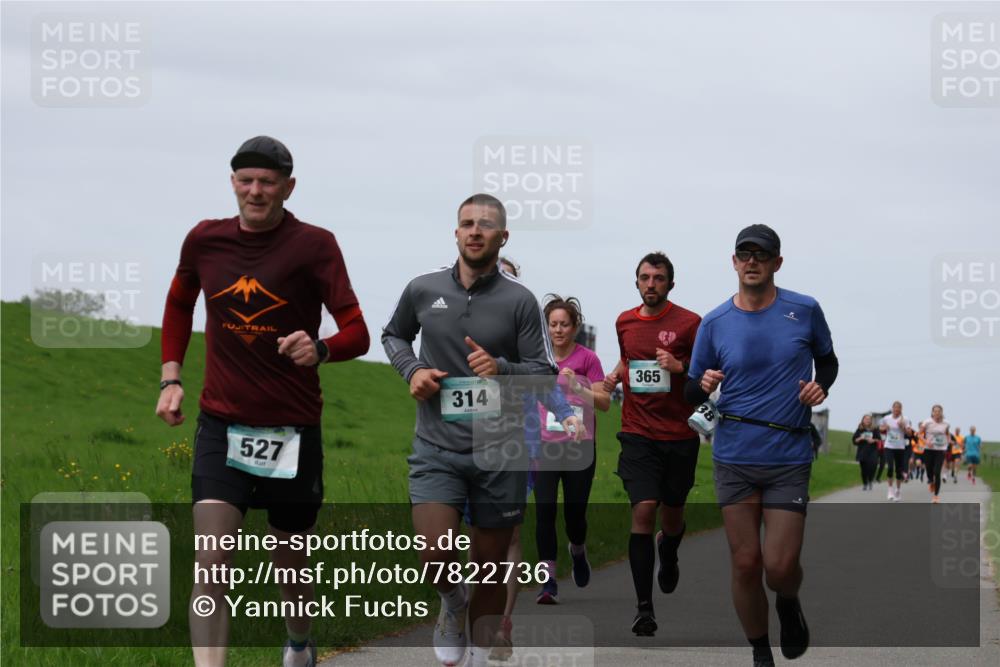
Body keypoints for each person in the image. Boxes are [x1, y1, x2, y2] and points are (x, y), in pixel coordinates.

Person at [156, 136, 370, 667]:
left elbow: (358, 332)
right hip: (221, 424)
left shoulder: (315, 245)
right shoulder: (204, 240)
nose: (255, 191)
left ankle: (299, 641)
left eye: (267, 182)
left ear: (288, 188)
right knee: (211, 561)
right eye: (246, 180)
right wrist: (170, 377)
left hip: (291, 429)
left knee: (289, 562)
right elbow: (179, 303)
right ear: (233, 183)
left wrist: (320, 348)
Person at [381, 194, 557, 667]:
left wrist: (501, 368)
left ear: (503, 237)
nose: (475, 231)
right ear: (456, 232)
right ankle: (452, 602)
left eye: (486, 224)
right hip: (437, 446)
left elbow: (544, 374)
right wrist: (413, 369)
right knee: (435, 555)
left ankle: (478, 655)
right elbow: (393, 335)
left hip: (500, 452)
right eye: (466, 223)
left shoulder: (520, 301)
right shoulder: (423, 288)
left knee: (490, 569)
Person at [686, 224, 838, 667]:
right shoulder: (715, 322)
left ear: (777, 263)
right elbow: (690, 391)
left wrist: (821, 386)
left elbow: (828, 361)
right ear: (733, 262)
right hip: (734, 457)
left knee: (779, 567)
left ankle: (787, 601)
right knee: (746, 563)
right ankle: (760, 652)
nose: (752, 261)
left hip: (788, 456)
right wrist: (703, 384)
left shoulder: (804, 310)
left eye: (762, 255)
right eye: (745, 254)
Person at [603, 251, 702, 637]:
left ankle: (670, 550)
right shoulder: (624, 321)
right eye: (645, 277)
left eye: (658, 278)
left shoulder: (690, 323)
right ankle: (644, 609)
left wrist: (680, 368)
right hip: (638, 432)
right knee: (644, 509)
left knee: (672, 518)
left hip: (679, 435)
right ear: (637, 282)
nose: (651, 284)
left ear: (670, 284)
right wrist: (615, 375)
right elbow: (627, 359)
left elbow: (705, 375)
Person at [488, 257, 580, 660]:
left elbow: (544, 376)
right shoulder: (458, 320)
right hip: (465, 442)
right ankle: (455, 602)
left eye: (507, 276)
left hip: (517, 443)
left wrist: (566, 412)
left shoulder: (528, 333)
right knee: (461, 537)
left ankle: (502, 624)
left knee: (509, 535)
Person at [534, 295, 610, 604]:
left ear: (575, 327)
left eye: (564, 324)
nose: (558, 330)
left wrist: (578, 387)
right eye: (552, 324)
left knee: (574, 515)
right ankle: (547, 581)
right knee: (544, 511)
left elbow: (604, 403)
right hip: (544, 447)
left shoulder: (588, 359)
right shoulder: (538, 358)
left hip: (580, 447)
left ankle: (577, 550)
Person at [879, 402, 911, 501]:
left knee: (898, 470)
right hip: (889, 446)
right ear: (892, 408)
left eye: (899, 408)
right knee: (890, 467)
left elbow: (909, 433)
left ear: (901, 409)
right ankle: (890, 490)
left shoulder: (905, 419)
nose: (897, 410)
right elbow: (880, 428)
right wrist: (884, 428)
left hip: (900, 447)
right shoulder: (886, 418)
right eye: (895, 408)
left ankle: (898, 490)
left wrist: (903, 427)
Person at [919, 405, 951, 504]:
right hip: (928, 449)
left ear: (941, 413)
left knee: (937, 472)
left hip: (940, 450)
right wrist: (926, 441)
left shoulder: (946, 423)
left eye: (939, 411)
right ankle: (931, 481)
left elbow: (947, 433)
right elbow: (919, 434)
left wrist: (948, 441)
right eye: (935, 411)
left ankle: (936, 496)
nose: (937, 413)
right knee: (929, 470)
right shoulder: (927, 422)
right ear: (932, 413)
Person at [853, 415, 879, 490]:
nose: (867, 420)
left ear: (871, 421)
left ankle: (870, 480)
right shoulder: (860, 429)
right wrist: (860, 438)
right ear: (863, 420)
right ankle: (865, 483)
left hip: (873, 451)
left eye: (869, 419)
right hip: (862, 451)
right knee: (864, 469)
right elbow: (854, 440)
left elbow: (879, 439)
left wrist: (873, 440)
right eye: (866, 419)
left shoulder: (875, 429)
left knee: (873, 466)